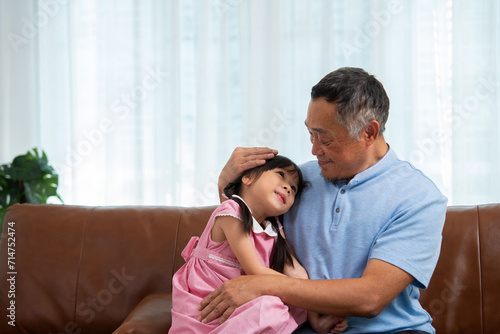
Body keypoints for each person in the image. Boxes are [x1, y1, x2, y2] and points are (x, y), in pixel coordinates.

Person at [198, 67, 448, 334]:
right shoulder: (293, 183)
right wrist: (226, 185)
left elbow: (370, 298)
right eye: (311, 134)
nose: (314, 149)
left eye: (325, 138)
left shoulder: (419, 197)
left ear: (369, 133)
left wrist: (263, 284)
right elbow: (245, 229)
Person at [169, 155, 348, 334]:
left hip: (243, 297)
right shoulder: (231, 211)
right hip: (208, 300)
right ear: (248, 178)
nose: (287, 187)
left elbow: (297, 273)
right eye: (280, 174)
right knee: (271, 306)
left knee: (286, 307)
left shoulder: (275, 227)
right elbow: (256, 271)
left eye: (293, 189)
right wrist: (299, 290)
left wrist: (315, 318)